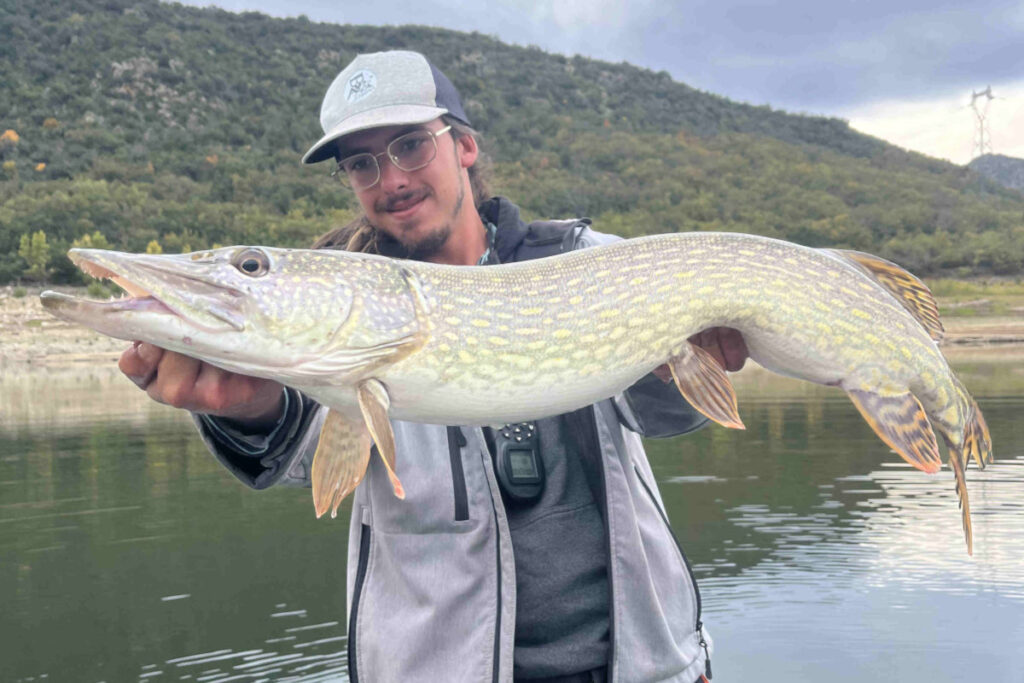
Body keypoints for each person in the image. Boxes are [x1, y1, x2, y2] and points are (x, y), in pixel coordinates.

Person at [119, 50, 748, 683]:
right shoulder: (343, 300)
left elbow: (664, 417)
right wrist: (250, 410)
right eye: (361, 163)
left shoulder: (586, 259)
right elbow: (306, 449)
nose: (390, 179)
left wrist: (685, 364)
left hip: (641, 665)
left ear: (465, 146)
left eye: (411, 145)